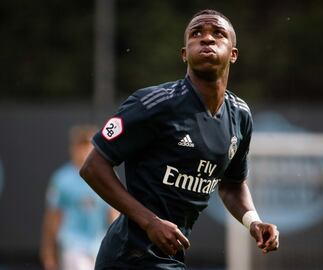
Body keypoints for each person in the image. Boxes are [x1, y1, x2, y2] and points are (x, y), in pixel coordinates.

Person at [80, 9, 279, 270]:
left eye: (217, 33)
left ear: (233, 53)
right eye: (197, 34)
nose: (207, 38)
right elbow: (92, 166)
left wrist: (253, 221)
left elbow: (231, 184)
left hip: (168, 255)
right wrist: (150, 221)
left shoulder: (240, 115)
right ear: (185, 53)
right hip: (130, 255)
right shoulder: (154, 104)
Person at [40, 125, 119, 270]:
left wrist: (118, 246)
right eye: (80, 146)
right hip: (73, 245)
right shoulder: (62, 179)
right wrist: (48, 253)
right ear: (73, 148)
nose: (83, 151)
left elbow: (113, 214)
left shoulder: (105, 176)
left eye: (88, 145)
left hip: (99, 245)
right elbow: (53, 218)